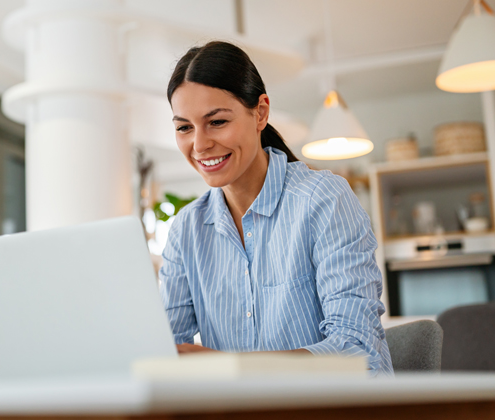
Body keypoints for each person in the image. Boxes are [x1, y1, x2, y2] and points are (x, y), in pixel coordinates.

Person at [160, 41, 393, 376]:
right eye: (184, 127)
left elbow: (358, 353)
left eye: (217, 121)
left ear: (261, 113)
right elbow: (164, 350)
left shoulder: (322, 200)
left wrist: (231, 367)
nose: (199, 144)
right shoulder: (186, 231)